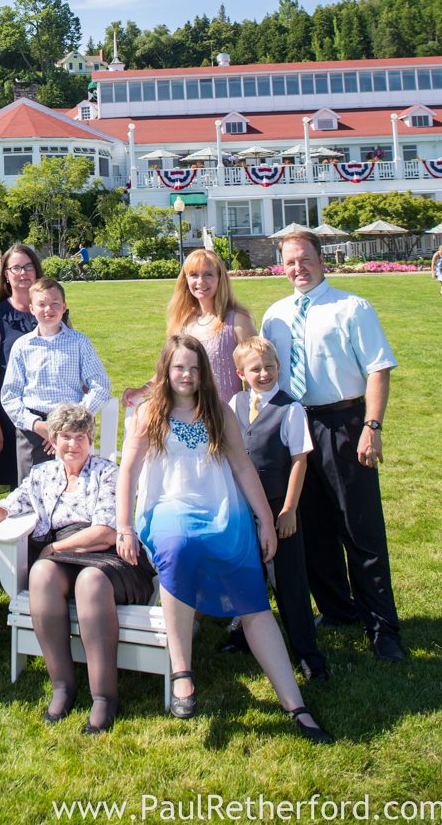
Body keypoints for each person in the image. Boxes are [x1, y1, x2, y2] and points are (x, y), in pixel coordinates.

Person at [115, 336, 331, 743]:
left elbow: (244, 469)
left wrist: (266, 521)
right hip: (166, 510)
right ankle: (182, 671)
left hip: (221, 511)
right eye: (179, 367)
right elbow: (128, 471)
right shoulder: (148, 413)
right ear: (165, 369)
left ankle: (295, 704)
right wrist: (124, 526)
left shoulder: (219, 413)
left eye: (195, 369)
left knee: (251, 594)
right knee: (178, 546)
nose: (187, 375)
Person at [261, 229, 403, 663]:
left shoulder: (352, 308)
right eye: (289, 261)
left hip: (343, 423)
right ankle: (338, 612)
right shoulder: (276, 316)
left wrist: (371, 426)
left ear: (322, 260)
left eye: (304, 259)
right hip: (296, 427)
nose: (297, 268)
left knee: (359, 528)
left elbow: (378, 369)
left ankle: (382, 627)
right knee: (312, 529)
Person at [0, 403, 155, 733]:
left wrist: (54, 548)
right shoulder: (43, 475)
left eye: (80, 437)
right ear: (53, 441)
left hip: (110, 557)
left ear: (91, 439)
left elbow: (104, 532)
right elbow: (6, 508)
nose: (72, 444)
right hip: (64, 556)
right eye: (65, 437)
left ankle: (103, 697)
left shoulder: (106, 473)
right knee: (41, 574)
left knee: (90, 582)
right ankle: (63, 687)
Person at [226, 336, 328, 683]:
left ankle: (307, 652)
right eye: (256, 369)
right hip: (244, 507)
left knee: (289, 581)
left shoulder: (291, 409)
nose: (264, 374)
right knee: (247, 573)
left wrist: (289, 509)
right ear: (241, 373)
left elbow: (299, 461)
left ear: (278, 368)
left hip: (278, 504)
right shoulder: (236, 404)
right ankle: (243, 636)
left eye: (270, 367)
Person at [0, 277, 110, 482]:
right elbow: (9, 395)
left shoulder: (79, 342)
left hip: (73, 428)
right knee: (32, 490)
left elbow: (100, 386)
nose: (48, 309)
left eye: (54, 304)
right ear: (31, 308)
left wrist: (69, 426)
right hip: (33, 431)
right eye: (41, 304)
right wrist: (39, 426)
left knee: (74, 484)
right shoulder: (22, 346)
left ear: (64, 307)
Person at [122, 248, 255, 408]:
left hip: (225, 419)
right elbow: (167, 368)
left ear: (220, 278)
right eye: (194, 275)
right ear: (185, 280)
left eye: (208, 274)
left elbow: (253, 372)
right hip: (187, 418)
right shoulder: (182, 322)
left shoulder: (237, 320)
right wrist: (143, 390)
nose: (200, 282)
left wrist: (250, 416)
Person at [0, 242, 41, 491]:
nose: (23, 273)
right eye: (16, 268)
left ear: (36, 271)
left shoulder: (50, 309)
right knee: (19, 483)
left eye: (28, 267)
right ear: (6, 274)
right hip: (10, 408)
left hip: (48, 404)